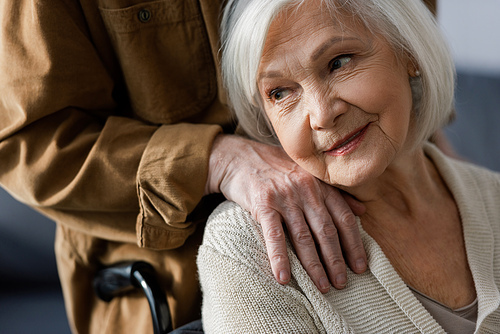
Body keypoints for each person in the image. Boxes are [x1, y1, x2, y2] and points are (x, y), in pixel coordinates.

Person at [0, 0, 379, 332]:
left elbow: (400, 31)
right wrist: (215, 160)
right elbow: (28, 147)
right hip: (174, 290)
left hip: (374, 214)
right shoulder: (233, 243)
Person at [197, 0, 500, 333]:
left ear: (409, 52)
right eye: (280, 93)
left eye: (338, 62)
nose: (322, 115)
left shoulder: (494, 196)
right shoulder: (246, 248)